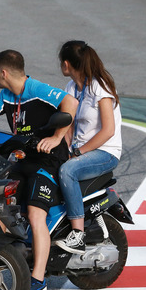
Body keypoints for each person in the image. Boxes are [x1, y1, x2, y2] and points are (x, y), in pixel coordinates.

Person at [0, 49, 76, 290]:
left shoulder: (37, 89)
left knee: (36, 214)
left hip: (48, 161)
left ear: (4, 72)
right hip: (24, 159)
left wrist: (56, 137)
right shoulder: (5, 96)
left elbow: (70, 103)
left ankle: (38, 282)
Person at [56, 40, 122, 255]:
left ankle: (78, 233)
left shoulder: (99, 87)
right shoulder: (71, 87)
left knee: (68, 170)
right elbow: (69, 124)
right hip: (80, 150)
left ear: (67, 64)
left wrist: (77, 153)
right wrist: (63, 149)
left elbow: (108, 131)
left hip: (106, 152)